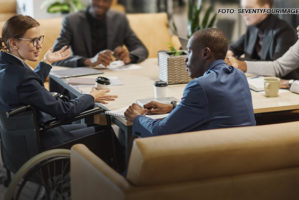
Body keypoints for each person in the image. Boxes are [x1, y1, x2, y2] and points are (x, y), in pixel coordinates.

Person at [0, 15, 117, 149]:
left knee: (89, 125)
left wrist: (47, 61)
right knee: (107, 133)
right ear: (13, 43)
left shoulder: (5, 64)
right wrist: (91, 96)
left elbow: (28, 86)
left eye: (40, 39)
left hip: (19, 140)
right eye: (33, 41)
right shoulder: (23, 78)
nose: (39, 46)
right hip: (41, 140)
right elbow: (64, 112)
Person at [124, 28, 256, 137]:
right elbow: (216, 108)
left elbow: (160, 132)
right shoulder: (239, 75)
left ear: (205, 53)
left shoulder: (200, 86)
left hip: (214, 162)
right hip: (244, 158)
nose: (185, 60)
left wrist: (137, 117)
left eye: (190, 52)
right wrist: (173, 108)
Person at [52, 0, 149, 67]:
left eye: (105, 1)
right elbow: (55, 56)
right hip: (84, 76)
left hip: (113, 75)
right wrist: (88, 61)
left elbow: (141, 49)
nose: (100, 4)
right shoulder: (71, 21)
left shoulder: (119, 19)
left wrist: (129, 57)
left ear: (111, 2)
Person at [227, 25, 299, 93]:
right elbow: (278, 67)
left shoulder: (283, 30)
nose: (298, 28)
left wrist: (290, 83)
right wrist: (243, 65)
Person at [227, 0, 297, 66]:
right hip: (257, 77)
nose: (243, 13)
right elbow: (234, 48)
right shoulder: (252, 28)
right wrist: (229, 54)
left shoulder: (284, 31)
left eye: (249, 9)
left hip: (284, 78)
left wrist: (240, 62)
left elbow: (276, 67)